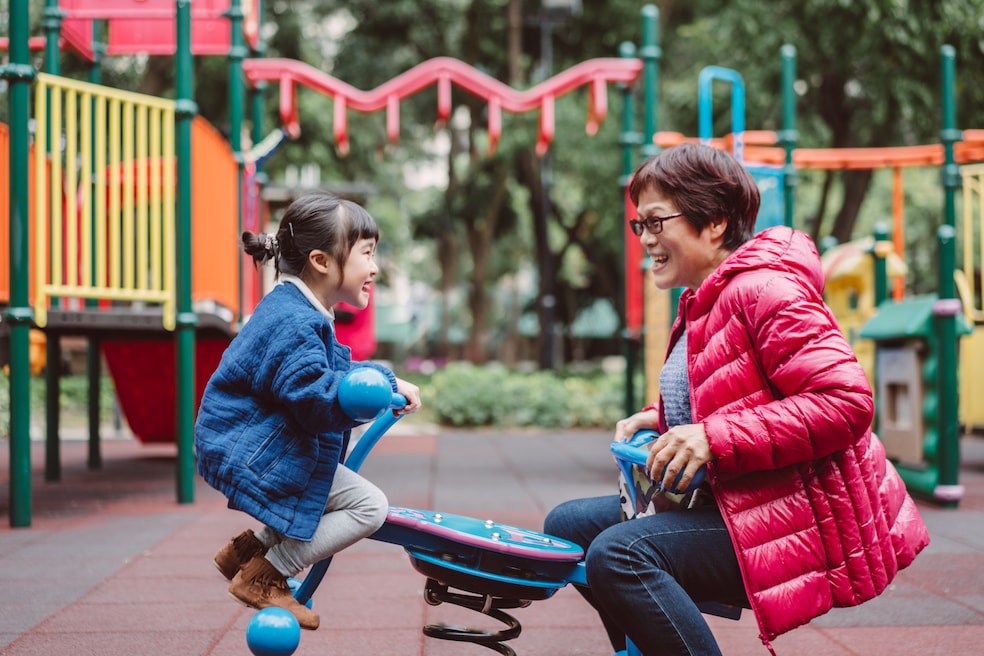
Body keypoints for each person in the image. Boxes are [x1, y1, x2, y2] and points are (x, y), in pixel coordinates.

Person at [543, 143, 929, 655]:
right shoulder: (703, 299)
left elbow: (846, 401)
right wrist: (665, 419)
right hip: (745, 499)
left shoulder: (766, 290)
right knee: (567, 527)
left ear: (716, 223)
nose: (646, 240)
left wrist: (711, 437)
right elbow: (740, 394)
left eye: (657, 223)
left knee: (621, 553)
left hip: (802, 513)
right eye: (641, 225)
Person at [194, 192, 421, 630]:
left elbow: (332, 373)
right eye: (367, 254)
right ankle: (268, 572)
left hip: (255, 440)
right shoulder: (296, 322)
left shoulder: (300, 310)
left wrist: (388, 383)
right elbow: (315, 400)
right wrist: (380, 388)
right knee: (368, 507)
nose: (375, 268)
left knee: (319, 495)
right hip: (256, 449)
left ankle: (247, 552)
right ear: (322, 261)